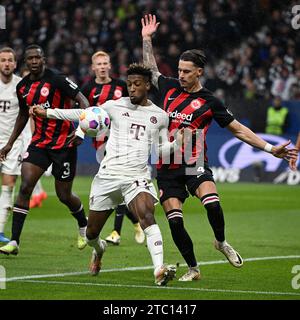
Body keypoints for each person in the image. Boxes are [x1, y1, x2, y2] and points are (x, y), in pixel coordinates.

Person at [141, 14, 298, 281]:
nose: (180, 75)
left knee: (213, 203)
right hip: (166, 165)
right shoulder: (168, 88)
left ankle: (221, 242)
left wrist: (271, 149)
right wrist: (146, 39)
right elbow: (152, 70)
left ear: (199, 72)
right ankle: (193, 268)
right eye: (179, 70)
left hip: (194, 162)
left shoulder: (209, 101)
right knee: (175, 221)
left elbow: (238, 129)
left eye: (186, 71)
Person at [30, 63, 179, 286]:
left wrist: (178, 143)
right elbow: (83, 113)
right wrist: (48, 112)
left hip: (136, 178)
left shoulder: (160, 116)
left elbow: (162, 149)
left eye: (137, 84)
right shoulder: (114, 106)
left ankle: (159, 268)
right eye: (129, 84)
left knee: (147, 215)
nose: (132, 88)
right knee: (91, 234)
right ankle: (99, 250)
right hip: (108, 177)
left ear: (148, 85)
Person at [0, 44, 90, 255]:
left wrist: (80, 132)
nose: (33, 61)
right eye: (30, 58)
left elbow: (84, 102)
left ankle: (82, 223)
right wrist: (10, 143)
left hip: (64, 144)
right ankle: (14, 241)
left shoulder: (58, 79)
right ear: (25, 62)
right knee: (25, 187)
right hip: (39, 143)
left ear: (43, 60)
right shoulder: (22, 87)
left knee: (64, 195)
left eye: (37, 58)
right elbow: (23, 115)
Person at [82, 50, 144, 245]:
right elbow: (84, 115)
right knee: (116, 187)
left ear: (110, 66)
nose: (102, 67)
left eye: (105, 63)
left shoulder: (120, 86)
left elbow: (134, 107)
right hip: (99, 144)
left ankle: (116, 232)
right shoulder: (87, 89)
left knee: (118, 183)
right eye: (98, 64)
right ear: (93, 67)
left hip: (121, 141)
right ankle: (136, 223)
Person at [0, 47, 31, 243]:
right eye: (3, 60)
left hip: (12, 143)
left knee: (8, 186)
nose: (6, 64)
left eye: (10, 60)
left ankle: (0, 230)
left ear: (15, 63)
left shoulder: (21, 85)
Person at [19, 66, 48, 209]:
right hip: (22, 134)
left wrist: (32, 136)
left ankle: (37, 193)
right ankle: (39, 193)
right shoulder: (21, 91)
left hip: (27, 136)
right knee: (22, 167)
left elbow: (32, 118)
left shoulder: (35, 95)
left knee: (25, 166)